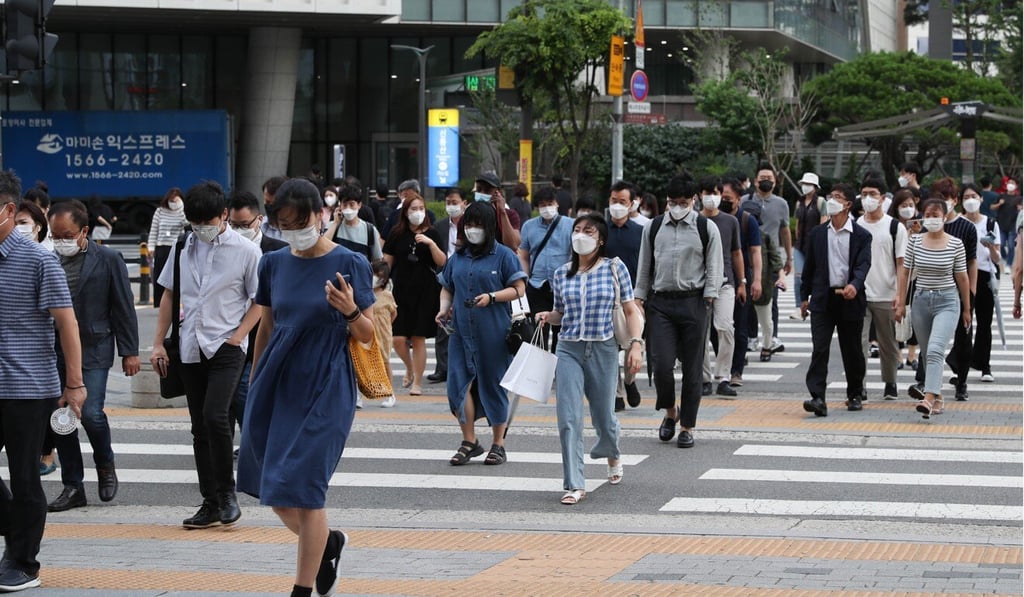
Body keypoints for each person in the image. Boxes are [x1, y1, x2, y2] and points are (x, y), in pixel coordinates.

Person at [237, 178, 375, 597]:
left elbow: (369, 336)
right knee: (277, 493)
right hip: (279, 378)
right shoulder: (273, 263)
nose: (294, 230)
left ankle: (301, 589)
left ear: (321, 215)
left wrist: (350, 310)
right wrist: (257, 377)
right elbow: (268, 324)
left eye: (301, 221)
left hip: (328, 380)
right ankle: (328, 542)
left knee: (307, 490)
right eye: (284, 223)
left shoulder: (351, 262)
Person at [150, 181, 262, 530]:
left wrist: (239, 337)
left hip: (227, 347)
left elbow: (261, 300)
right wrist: (157, 343)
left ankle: (227, 495)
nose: (201, 228)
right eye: (194, 222)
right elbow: (169, 294)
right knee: (200, 427)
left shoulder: (246, 251)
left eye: (206, 221)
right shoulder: (184, 245)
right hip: (190, 346)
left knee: (216, 417)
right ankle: (210, 502)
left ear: (223, 215)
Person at [0, 170, 86, 592]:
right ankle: (15, 530)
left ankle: (23, 563)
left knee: (25, 477)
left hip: (28, 388)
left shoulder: (38, 259)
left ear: (9, 211)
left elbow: (67, 324)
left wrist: (74, 386)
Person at [536, 214, 643, 505]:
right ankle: (574, 484)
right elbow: (561, 313)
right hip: (568, 348)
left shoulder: (614, 268)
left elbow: (631, 310)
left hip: (603, 348)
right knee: (568, 418)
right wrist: (548, 316)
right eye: (577, 230)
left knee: (604, 417)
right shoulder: (561, 274)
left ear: (601, 240)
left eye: (588, 231)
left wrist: (636, 344)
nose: (580, 235)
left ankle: (612, 452)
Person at [44, 200, 140, 512]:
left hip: (95, 345)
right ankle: (73, 485)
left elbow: (123, 306)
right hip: (53, 348)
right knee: (63, 417)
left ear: (85, 231)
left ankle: (105, 464)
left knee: (92, 412)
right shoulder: (44, 258)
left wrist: (129, 352)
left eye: (66, 235)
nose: (60, 241)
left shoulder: (108, 259)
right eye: (54, 235)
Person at [635, 175, 723, 449]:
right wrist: (639, 297)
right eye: (672, 202)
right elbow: (644, 265)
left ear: (693, 201)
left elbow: (714, 267)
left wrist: (708, 298)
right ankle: (670, 412)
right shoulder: (653, 227)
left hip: (693, 301)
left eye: (683, 202)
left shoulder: (705, 227)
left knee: (693, 368)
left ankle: (687, 426)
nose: (677, 207)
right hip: (660, 303)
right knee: (660, 364)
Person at [436, 202, 526, 467]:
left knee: (493, 386)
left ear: (489, 227)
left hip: (494, 333)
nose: (472, 230)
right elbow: (447, 287)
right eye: (469, 224)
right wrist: (443, 309)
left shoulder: (504, 256)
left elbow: (519, 288)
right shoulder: (458, 258)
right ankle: (470, 441)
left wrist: (492, 297)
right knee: (457, 387)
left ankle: (499, 444)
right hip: (461, 333)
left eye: (478, 225)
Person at [799, 183, 872, 416]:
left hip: (851, 298)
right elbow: (808, 268)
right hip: (822, 299)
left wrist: (855, 285)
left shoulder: (862, 235)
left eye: (838, 197)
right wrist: (803, 297)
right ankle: (817, 397)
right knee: (820, 348)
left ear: (848, 204)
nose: (832, 200)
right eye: (831, 196)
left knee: (852, 350)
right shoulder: (818, 234)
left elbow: (863, 264)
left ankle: (855, 393)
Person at [895, 198, 971, 419]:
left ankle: (928, 398)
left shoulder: (956, 244)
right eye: (928, 214)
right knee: (928, 352)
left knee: (936, 348)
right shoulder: (915, 242)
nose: (932, 218)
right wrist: (901, 302)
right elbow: (905, 273)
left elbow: (962, 277)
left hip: (947, 301)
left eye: (936, 215)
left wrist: (967, 309)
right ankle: (937, 397)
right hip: (920, 301)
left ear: (945, 217)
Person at [225, 191, 288, 437]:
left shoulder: (278, 251)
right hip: (230, 334)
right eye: (233, 225)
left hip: (266, 334)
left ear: (259, 219)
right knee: (227, 399)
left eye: (244, 225)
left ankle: (255, 440)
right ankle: (224, 448)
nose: (239, 230)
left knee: (246, 394)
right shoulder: (225, 248)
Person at [382, 192, 446, 396]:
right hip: (401, 290)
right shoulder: (396, 233)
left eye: (421, 208)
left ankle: (417, 381)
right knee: (398, 339)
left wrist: (430, 243)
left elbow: (442, 261)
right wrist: (380, 284)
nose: (418, 213)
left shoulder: (432, 233)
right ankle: (409, 367)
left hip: (425, 291)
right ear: (405, 212)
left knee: (418, 338)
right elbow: (387, 262)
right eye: (413, 209)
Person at [926, 178, 977, 402]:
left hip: (959, 290)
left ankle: (962, 381)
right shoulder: (929, 225)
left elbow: (972, 261)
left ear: (955, 201)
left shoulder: (966, 227)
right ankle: (926, 382)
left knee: (964, 337)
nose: (940, 206)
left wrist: (971, 292)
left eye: (945, 200)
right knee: (930, 340)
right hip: (931, 290)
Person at [856, 178, 907, 401]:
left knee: (888, 343)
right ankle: (860, 385)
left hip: (887, 293)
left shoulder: (894, 226)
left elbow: (901, 264)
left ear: (883, 198)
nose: (868, 198)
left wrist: (900, 294)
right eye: (864, 193)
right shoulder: (856, 224)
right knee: (859, 343)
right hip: (860, 293)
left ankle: (890, 383)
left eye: (873, 194)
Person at [698, 176, 743, 398]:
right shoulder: (694, 221)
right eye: (707, 192)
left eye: (716, 192)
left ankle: (723, 376)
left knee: (726, 327)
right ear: (699, 196)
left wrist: (742, 281)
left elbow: (736, 252)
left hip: (725, 283)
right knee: (701, 333)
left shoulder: (730, 221)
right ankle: (704, 378)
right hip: (698, 284)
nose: (712, 197)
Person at [741, 165, 792, 352]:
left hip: (771, 258)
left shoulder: (781, 204)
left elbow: (785, 231)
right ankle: (751, 337)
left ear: (775, 181)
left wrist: (789, 258)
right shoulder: (745, 201)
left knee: (772, 299)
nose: (766, 180)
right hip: (749, 256)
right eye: (762, 177)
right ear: (755, 181)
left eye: (769, 177)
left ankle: (772, 338)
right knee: (750, 300)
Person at [604, 181, 644, 410]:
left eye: (622, 202)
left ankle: (630, 381)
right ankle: (617, 392)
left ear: (632, 204)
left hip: (633, 299)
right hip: (606, 299)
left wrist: (643, 297)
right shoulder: (600, 231)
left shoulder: (641, 232)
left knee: (633, 343)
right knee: (609, 348)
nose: (617, 206)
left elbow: (648, 266)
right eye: (613, 201)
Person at [518, 186, 573, 353]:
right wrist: (525, 278)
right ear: (537, 207)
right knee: (538, 332)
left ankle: (559, 367)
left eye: (550, 203)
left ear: (557, 203)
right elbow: (524, 254)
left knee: (562, 332)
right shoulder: (529, 226)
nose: (547, 208)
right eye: (542, 205)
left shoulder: (571, 225)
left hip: (563, 286)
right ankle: (539, 371)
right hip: (537, 285)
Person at [721, 179, 762, 387]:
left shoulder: (747, 220)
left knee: (740, 326)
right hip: (716, 277)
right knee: (718, 327)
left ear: (739, 199)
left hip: (740, 278)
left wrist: (756, 280)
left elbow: (755, 251)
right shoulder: (711, 219)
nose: (722, 201)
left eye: (727, 198)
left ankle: (736, 370)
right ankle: (725, 365)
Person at [428, 188, 469, 385]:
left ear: (464, 203)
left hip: (466, 275)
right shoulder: (440, 226)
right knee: (442, 319)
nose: (451, 206)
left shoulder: (471, 225)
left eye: (454, 202)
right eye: (448, 202)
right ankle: (442, 367)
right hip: (445, 276)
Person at [960, 184, 1000, 382]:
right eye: (966, 196)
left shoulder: (991, 223)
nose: (970, 200)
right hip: (961, 276)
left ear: (981, 199)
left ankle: (985, 365)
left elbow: (998, 259)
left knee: (984, 323)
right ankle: (962, 366)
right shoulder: (957, 223)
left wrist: (991, 247)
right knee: (963, 323)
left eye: (974, 196)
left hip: (984, 276)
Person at [888, 189, 922, 370]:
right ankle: (898, 354)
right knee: (897, 314)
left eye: (911, 205)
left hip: (916, 277)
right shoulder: (892, 227)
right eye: (903, 205)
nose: (908, 209)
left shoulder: (920, 229)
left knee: (915, 314)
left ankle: (912, 354)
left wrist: (917, 234)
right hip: (895, 277)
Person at [791, 172, 827, 319]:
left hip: (815, 246)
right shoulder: (799, 203)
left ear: (815, 187)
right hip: (800, 245)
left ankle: (814, 304)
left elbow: (823, 222)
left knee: (816, 276)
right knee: (798, 277)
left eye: (809, 184)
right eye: (804, 184)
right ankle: (799, 307)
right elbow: (797, 223)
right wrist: (797, 237)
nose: (806, 187)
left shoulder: (821, 202)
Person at [148, 187, 188, 308]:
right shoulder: (160, 211)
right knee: (160, 277)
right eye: (171, 200)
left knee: (176, 277)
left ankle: (176, 303)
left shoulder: (184, 211)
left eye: (176, 200)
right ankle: (160, 304)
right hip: (162, 247)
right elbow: (154, 229)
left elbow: (187, 224)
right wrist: (151, 247)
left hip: (176, 247)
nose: (173, 203)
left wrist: (181, 209)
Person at [325, 183, 383, 263]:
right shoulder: (332, 226)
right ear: (340, 206)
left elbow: (377, 260)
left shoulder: (369, 230)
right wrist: (335, 223)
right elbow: (322, 248)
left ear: (359, 205)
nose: (348, 208)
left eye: (352, 204)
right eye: (344, 205)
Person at [369, 260, 398, 408]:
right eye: (373, 274)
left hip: (383, 334)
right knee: (361, 362)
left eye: (379, 275)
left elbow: (393, 313)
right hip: (366, 333)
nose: (375, 278)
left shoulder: (387, 295)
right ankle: (359, 395)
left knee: (385, 362)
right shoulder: (363, 292)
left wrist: (386, 325)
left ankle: (389, 393)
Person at [473, 172, 521, 249]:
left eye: (487, 190)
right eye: (479, 190)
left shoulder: (510, 215)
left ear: (498, 193)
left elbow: (513, 245)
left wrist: (502, 213)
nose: (482, 193)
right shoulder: (469, 215)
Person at [991, 176, 1020, 269]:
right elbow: (992, 207)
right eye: (1009, 182)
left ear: (1016, 186)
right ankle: (1005, 258)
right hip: (1001, 224)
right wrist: (999, 204)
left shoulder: (1019, 198)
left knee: (1011, 246)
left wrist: (1020, 209)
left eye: (1013, 183)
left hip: (1013, 225)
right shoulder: (1001, 196)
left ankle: (1009, 264)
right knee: (1002, 244)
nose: (1010, 184)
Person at [23, 184, 53, 251]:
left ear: (46, 209)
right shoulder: (22, 231)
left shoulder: (56, 232)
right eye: (28, 211)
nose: (33, 214)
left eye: (36, 210)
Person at [260, 175, 288, 240]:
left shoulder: (296, 232)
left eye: (275, 203)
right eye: (267, 201)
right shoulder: (258, 226)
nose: (270, 206)